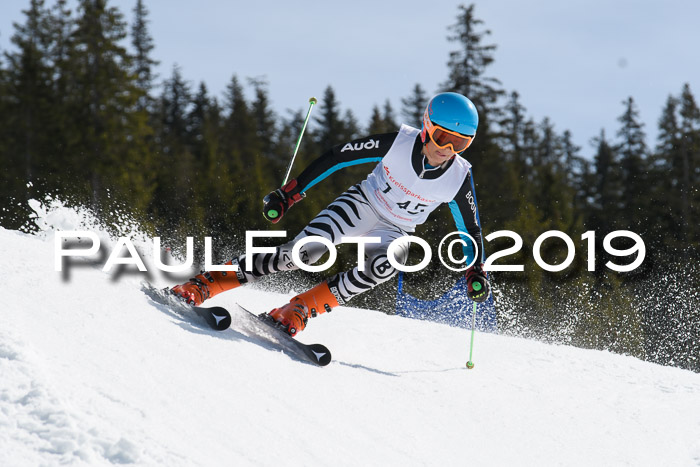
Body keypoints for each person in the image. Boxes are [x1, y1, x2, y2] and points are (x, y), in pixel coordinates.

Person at [171, 92, 491, 337]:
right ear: (427, 125)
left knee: (386, 265)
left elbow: (470, 230)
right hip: (362, 205)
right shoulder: (398, 143)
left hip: (397, 230)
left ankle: (298, 310)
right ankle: (204, 284)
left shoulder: (459, 176)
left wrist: (475, 270)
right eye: (443, 137)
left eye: (460, 143)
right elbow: (338, 157)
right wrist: (291, 192)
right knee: (302, 254)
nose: (447, 150)